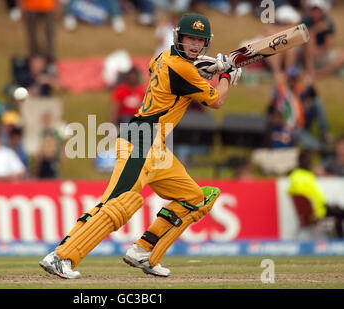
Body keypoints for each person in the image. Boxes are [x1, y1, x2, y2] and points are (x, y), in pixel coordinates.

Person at [39, 13, 242, 278]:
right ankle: (61, 257)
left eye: (199, 40)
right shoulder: (182, 68)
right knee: (119, 203)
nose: (193, 44)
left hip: (157, 146)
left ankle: (144, 251)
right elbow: (216, 101)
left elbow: (154, 67)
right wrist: (225, 74)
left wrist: (203, 71)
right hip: (141, 138)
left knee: (194, 198)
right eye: (189, 38)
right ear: (178, 38)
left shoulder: (163, 59)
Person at [288, 150, 344, 238]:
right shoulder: (308, 176)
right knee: (340, 212)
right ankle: (339, 240)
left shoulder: (294, 175)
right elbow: (312, 197)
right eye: (309, 160)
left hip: (310, 211)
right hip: (317, 211)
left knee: (337, 209)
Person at [303, 0, 344, 81]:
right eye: (313, 9)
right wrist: (316, 29)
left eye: (317, 9)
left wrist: (316, 51)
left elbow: (328, 46)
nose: (315, 12)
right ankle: (310, 72)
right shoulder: (305, 21)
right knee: (310, 42)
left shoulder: (329, 23)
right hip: (307, 54)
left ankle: (320, 73)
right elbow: (303, 39)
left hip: (322, 54)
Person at [21, 0, 58, 71]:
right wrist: (21, 4)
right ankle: (34, 59)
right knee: (32, 34)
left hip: (47, 5)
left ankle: (50, 61)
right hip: (30, 5)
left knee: (49, 34)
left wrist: (56, 3)